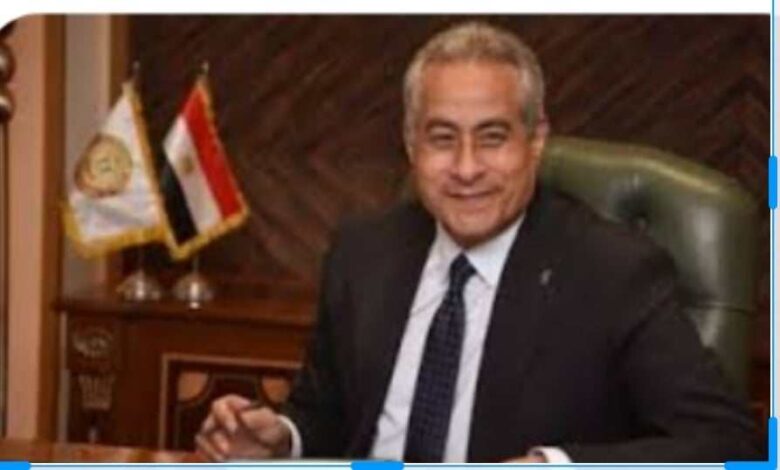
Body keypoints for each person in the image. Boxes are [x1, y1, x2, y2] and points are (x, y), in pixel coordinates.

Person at [195, 21, 761, 463]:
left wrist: (556, 465)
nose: (466, 169)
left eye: (493, 138)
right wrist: (282, 439)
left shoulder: (612, 272)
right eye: (442, 138)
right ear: (411, 145)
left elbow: (729, 442)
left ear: (535, 141)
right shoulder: (362, 253)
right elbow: (328, 417)